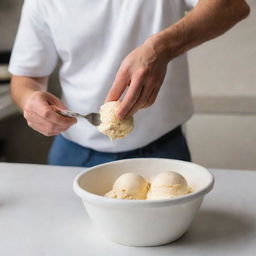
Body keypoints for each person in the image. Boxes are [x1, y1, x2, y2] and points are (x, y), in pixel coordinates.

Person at [9, 0, 250, 167]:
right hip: (73, 152)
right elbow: (25, 79)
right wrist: (30, 101)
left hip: (162, 149)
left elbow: (232, 6)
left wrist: (161, 48)